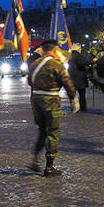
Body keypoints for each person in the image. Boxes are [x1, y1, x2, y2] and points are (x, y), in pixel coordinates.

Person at [27, 40, 78, 176]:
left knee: (42, 130)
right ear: (55, 50)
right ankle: (49, 167)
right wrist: (73, 99)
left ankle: (35, 159)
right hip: (51, 101)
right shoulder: (57, 65)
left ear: (43, 50)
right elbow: (67, 81)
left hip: (36, 100)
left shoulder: (34, 64)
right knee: (53, 132)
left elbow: (28, 81)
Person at [68, 43, 90, 112]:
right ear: (78, 49)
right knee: (82, 94)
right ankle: (82, 108)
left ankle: (73, 106)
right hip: (80, 77)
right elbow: (82, 64)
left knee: (72, 94)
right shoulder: (78, 56)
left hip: (71, 77)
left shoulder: (69, 56)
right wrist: (90, 62)